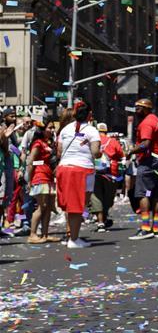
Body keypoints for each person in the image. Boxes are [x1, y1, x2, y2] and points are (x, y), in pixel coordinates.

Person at [56, 100, 101, 248]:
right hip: (82, 170)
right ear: (89, 115)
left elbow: (59, 152)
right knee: (78, 206)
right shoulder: (92, 130)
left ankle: (72, 235)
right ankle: (73, 239)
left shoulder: (64, 129)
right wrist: (100, 153)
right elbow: (95, 153)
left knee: (71, 205)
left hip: (64, 168)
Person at [127, 98, 158, 240]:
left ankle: (145, 228)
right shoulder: (156, 120)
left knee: (143, 193)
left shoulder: (146, 123)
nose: (136, 111)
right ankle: (155, 229)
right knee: (154, 194)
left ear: (147, 109)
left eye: (139, 108)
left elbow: (145, 143)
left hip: (149, 161)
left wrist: (131, 151)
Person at [26, 121, 60, 244]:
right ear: (42, 129)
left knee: (48, 207)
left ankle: (45, 234)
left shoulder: (47, 143)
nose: (52, 130)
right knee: (41, 207)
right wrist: (29, 180)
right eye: (50, 128)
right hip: (40, 177)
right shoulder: (37, 143)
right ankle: (32, 234)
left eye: (53, 128)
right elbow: (31, 162)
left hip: (49, 177)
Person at [91, 123, 124, 232]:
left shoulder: (92, 140)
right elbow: (121, 155)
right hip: (111, 173)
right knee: (108, 197)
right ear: (106, 130)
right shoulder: (113, 141)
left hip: (94, 172)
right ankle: (104, 218)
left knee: (96, 196)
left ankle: (100, 222)